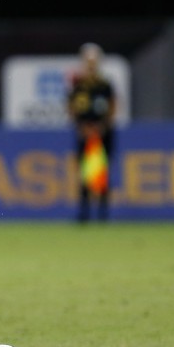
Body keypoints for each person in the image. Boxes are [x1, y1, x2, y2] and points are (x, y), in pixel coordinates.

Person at [68, 42, 116, 222]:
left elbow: (112, 107)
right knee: (84, 174)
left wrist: (102, 127)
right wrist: (82, 128)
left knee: (101, 173)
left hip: (103, 133)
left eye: (94, 61)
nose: (91, 65)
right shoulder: (77, 85)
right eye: (88, 61)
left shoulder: (104, 84)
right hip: (84, 133)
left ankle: (103, 214)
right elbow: (71, 108)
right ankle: (84, 214)